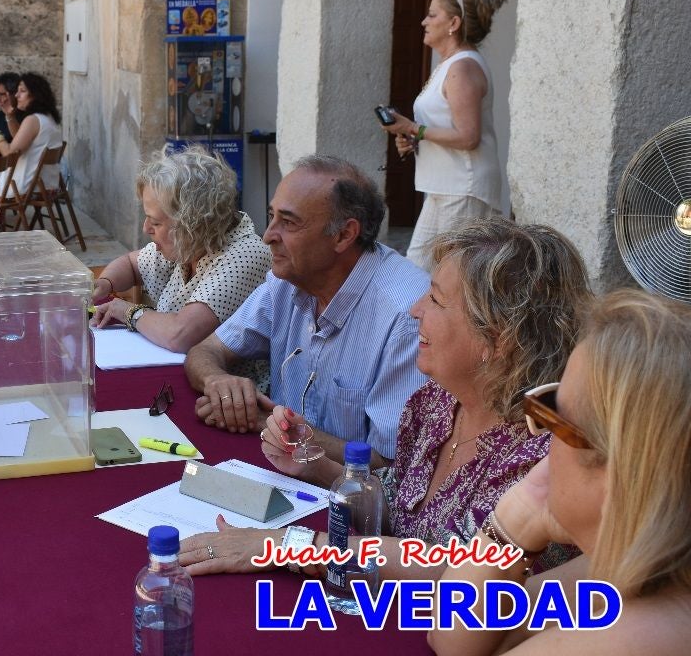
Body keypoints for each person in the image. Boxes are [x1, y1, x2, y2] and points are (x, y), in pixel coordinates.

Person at [180, 218, 590, 581]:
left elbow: (461, 568)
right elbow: (398, 505)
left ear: (497, 339)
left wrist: (290, 545)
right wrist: (315, 465)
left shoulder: (544, 447)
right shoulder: (437, 403)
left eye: (436, 299)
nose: (415, 310)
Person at [429, 289, 691, 656]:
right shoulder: (629, 566)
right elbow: (453, 635)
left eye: (554, 413)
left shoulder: (642, 635)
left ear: (618, 464)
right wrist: (519, 517)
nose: (539, 434)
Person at [184, 156, 427, 466]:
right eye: (271, 216)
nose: (268, 236)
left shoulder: (405, 316)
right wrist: (218, 382)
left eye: (289, 222)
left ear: (343, 235)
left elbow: (390, 466)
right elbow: (205, 350)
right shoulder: (285, 282)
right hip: (285, 474)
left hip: (351, 505)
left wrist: (267, 422)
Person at [90, 145, 271, 353]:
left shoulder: (245, 254)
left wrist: (128, 312)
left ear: (193, 223)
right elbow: (131, 264)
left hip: (224, 382)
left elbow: (181, 335)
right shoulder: (191, 244)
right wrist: (105, 283)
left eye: (156, 222)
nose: (145, 228)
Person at [382, 0, 509, 270]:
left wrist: (415, 129)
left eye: (431, 15)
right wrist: (414, 139)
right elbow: (446, 129)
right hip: (445, 187)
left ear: (454, 23)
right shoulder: (449, 65)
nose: (423, 21)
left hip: (463, 189)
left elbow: (468, 136)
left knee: (450, 275)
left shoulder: (463, 67)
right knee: (416, 271)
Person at [0, 72, 62, 198]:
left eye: (22, 91)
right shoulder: (47, 118)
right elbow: (19, 140)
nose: (17, 95)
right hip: (47, 186)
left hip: (25, 188)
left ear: (35, 95)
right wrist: (9, 116)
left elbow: (10, 154)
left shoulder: (32, 120)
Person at [0, 71, 21, 142]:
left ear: (15, 94)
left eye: (1, 94)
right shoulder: (1, 114)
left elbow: (16, 146)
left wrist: (9, 116)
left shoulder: (27, 117)